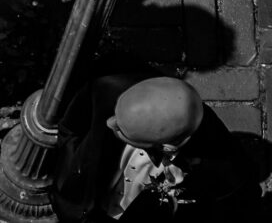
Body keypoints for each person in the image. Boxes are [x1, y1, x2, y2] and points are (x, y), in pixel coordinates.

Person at [50, 74, 262, 222]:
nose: (110, 123)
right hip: (81, 202)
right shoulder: (109, 85)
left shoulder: (229, 176)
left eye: (122, 130)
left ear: (167, 146)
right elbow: (70, 127)